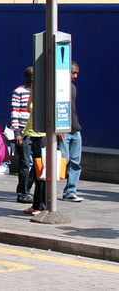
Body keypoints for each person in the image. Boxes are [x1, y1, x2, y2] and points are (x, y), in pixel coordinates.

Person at [60, 61, 83, 202]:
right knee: (63, 160)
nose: (75, 76)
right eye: (72, 72)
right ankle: (45, 190)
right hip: (64, 131)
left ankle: (70, 191)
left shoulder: (73, 88)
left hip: (75, 130)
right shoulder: (59, 88)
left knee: (75, 162)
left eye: (76, 73)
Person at [11, 67, 34, 203]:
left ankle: (28, 186)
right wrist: (17, 133)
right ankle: (23, 192)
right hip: (23, 133)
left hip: (36, 132)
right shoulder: (18, 92)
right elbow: (14, 113)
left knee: (38, 163)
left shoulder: (39, 91)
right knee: (25, 163)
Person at [22, 91, 46, 216]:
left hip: (42, 137)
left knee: (42, 172)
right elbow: (28, 109)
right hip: (32, 135)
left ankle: (42, 205)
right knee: (36, 172)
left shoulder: (48, 94)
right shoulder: (35, 93)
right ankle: (36, 204)